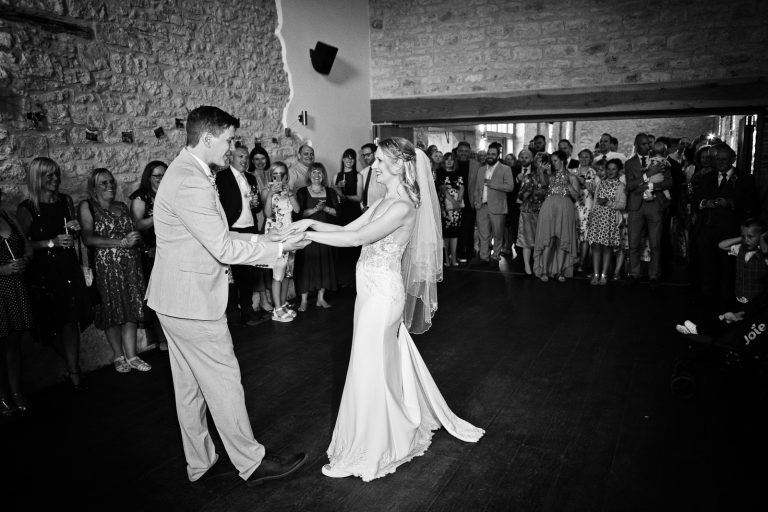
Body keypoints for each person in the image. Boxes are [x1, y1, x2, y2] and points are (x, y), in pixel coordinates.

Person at [288, 137, 484, 481]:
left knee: (369, 366)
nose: (374, 165)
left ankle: (374, 448)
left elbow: (355, 240)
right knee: (371, 362)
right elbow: (348, 229)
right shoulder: (383, 201)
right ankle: (378, 433)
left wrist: (310, 234)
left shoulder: (404, 206)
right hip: (368, 292)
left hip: (382, 295)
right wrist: (310, 224)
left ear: (399, 164)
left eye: (379, 160)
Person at [145, 106, 309, 486]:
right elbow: (222, 248)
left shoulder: (190, 172)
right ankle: (251, 462)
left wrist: (267, 239)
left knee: (189, 389)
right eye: (229, 139)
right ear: (207, 138)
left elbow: (221, 236)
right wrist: (279, 250)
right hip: (192, 303)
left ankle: (200, 463)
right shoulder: (190, 181)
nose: (232, 147)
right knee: (224, 381)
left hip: (175, 299)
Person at [16, 157, 91, 390]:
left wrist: (75, 230)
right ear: (37, 178)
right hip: (43, 273)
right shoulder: (27, 208)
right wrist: (51, 242)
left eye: (57, 174)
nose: (56, 179)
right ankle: (71, 367)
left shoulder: (65, 200)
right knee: (49, 325)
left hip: (67, 266)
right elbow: (21, 244)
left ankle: (74, 371)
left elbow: (70, 233)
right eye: (49, 175)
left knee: (71, 320)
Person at [80, 168, 149, 373]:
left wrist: (135, 238)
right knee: (111, 310)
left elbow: (130, 233)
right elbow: (88, 238)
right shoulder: (88, 206)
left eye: (111, 181)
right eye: (103, 182)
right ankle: (118, 356)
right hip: (107, 268)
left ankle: (132, 355)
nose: (110, 185)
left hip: (131, 265)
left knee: (131, 308)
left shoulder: (121, 206)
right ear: (93, 187)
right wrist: (121, 242)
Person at [216, 145, 263, 326]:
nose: (244, 160)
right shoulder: (221, 177)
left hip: (250, 228)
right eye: (240, 156)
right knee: (232, 275)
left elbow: (256, 208)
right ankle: (233, 313)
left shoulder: (251, 178)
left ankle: (247, 310)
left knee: (248, 273)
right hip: (232, 229)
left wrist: (256, 203)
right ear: (231, 158)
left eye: (246, 157)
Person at [0, 187, 33, 415]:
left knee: (14, 343)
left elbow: (27, 246)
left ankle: (15, 391)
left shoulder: (7, 216)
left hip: (15, 288)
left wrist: (25, 261)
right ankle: (2, 396)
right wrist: (1, 269)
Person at [129, 160, 169, 348]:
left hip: (171, 250)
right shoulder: (141, 196)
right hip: (150, 252)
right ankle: (161, 339)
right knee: (158, 297)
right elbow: (137, 224)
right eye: (157, 175)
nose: (162, 178)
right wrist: (159, 214)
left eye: (164, 174)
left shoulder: (170, 192)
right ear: (148, 177)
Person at [294, 162, 339, 311]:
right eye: (314, 172)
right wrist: (315, 209)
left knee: (324, 265)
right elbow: (299, 214)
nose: (316, 175)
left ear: (323, 175)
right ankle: (304, 301)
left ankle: (320, 298)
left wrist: (325, 208)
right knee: (306, 266)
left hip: (325, 235)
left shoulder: (330, 192)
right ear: (309, 175)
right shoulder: (302, 191)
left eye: (319, 172)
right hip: (308, 235)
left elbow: (337, 213)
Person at [262, 162, 300, 322]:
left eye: (282, 174)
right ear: (271, 175)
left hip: (289, 233)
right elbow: (267, 214)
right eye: (275, 174)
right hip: (276, 235)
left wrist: (290, 194)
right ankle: (276, 310)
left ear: (286, 175)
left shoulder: (289, 191)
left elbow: (297, 210)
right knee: (278, 273)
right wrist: (271, 194)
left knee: (287, 273)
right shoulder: (266, 191)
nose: (279, 177)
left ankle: (283, 304)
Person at [533, 151, 580, 281]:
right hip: (549, 208)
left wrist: (568, 184)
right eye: (552, 161)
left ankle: (559, 271)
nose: (553, 163)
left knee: (562, 240)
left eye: (555, 160)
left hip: (565, 208)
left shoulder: (572, 177)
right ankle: (544, 271)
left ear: (562, 161)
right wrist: (541, 171)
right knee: (548, 240)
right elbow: (543, 185)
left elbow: (576, 196)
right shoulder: (551, 176)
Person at [587, 159, 626, 285]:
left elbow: (622, 205)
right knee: (596, 246)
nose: (610, 171)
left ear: (618, 170)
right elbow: (594, 201)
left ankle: (604, 275)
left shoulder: (621, 186)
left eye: (614, 169)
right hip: (597, 217)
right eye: (608, 169)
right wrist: (591, 215)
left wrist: (608, 202)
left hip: (610, 218)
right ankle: (596, 274)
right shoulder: (600, 183)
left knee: (607, 247)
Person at [248, 146, 274, 312]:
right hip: (258, 221)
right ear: (252, 161)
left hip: (271, 222)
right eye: (256, 159)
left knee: (271, 260)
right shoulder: (250, 177)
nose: (260, 162)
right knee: (261, 262)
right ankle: (263, 299)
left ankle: (271, 296)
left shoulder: (270, 174)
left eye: (262, 158)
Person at [334, 148, 362, 286]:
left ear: (354, 160)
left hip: (354, 213)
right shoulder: (336, 176)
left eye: (352, 158)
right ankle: (342, 280)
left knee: (354, 245)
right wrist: (337, 190)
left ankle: (354, 280)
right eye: (346, 157)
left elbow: (359, 197)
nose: (349, 160)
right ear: (343, 159)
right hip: (341, 214)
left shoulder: (358, 176)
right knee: (342, 245)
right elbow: (333, 197)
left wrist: (343, 195)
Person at [435, 151, 464, 266]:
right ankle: (446, 258)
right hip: (445, 207)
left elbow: (462, 187)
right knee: (446, 234)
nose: (449, 161)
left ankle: (454, 258)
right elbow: (442, 189)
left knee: (455, 233)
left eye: (451, 159)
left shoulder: (458, 172)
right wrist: (453, 201)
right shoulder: (439, 172)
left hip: (457, 207)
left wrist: (459, 200)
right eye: (447, 159)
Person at [357, 143, 386, 213]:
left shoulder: (384, 170)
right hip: (365, 211)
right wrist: (362, 206)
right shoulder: (363, 172)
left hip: (380, 211)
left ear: (375, 153)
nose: (365, 158)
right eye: (364, 155)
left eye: (368, 155)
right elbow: (361, 192)